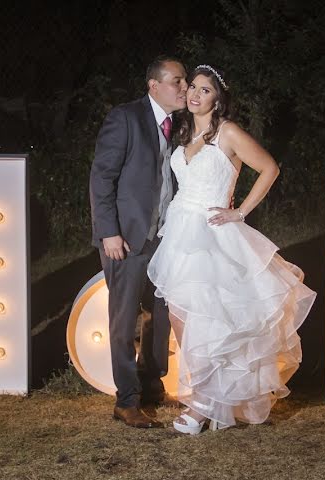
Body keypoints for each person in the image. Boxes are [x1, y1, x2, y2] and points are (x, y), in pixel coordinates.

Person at [147, 64, 317, 434]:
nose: (194, 94)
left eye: (205, 90)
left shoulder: (229, 132)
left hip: (212, 233)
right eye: (192, 86)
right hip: (180, 234)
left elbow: (270, 168)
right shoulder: (185, 130)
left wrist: (239, 211)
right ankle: (206, 395)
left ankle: (205, 405)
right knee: (181, 317)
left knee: (213, 319)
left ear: (218, 99)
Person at [89, 57, 188, 428]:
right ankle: (126, 400)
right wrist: (108, 231)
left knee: (159, 314)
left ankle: (151, 384)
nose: (184, 88)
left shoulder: (178, 125)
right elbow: (102, 178)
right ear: (154, 85)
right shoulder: (125, 118)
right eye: (177, 81)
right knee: (124, 318)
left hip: (164, 238)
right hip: (126, 239)